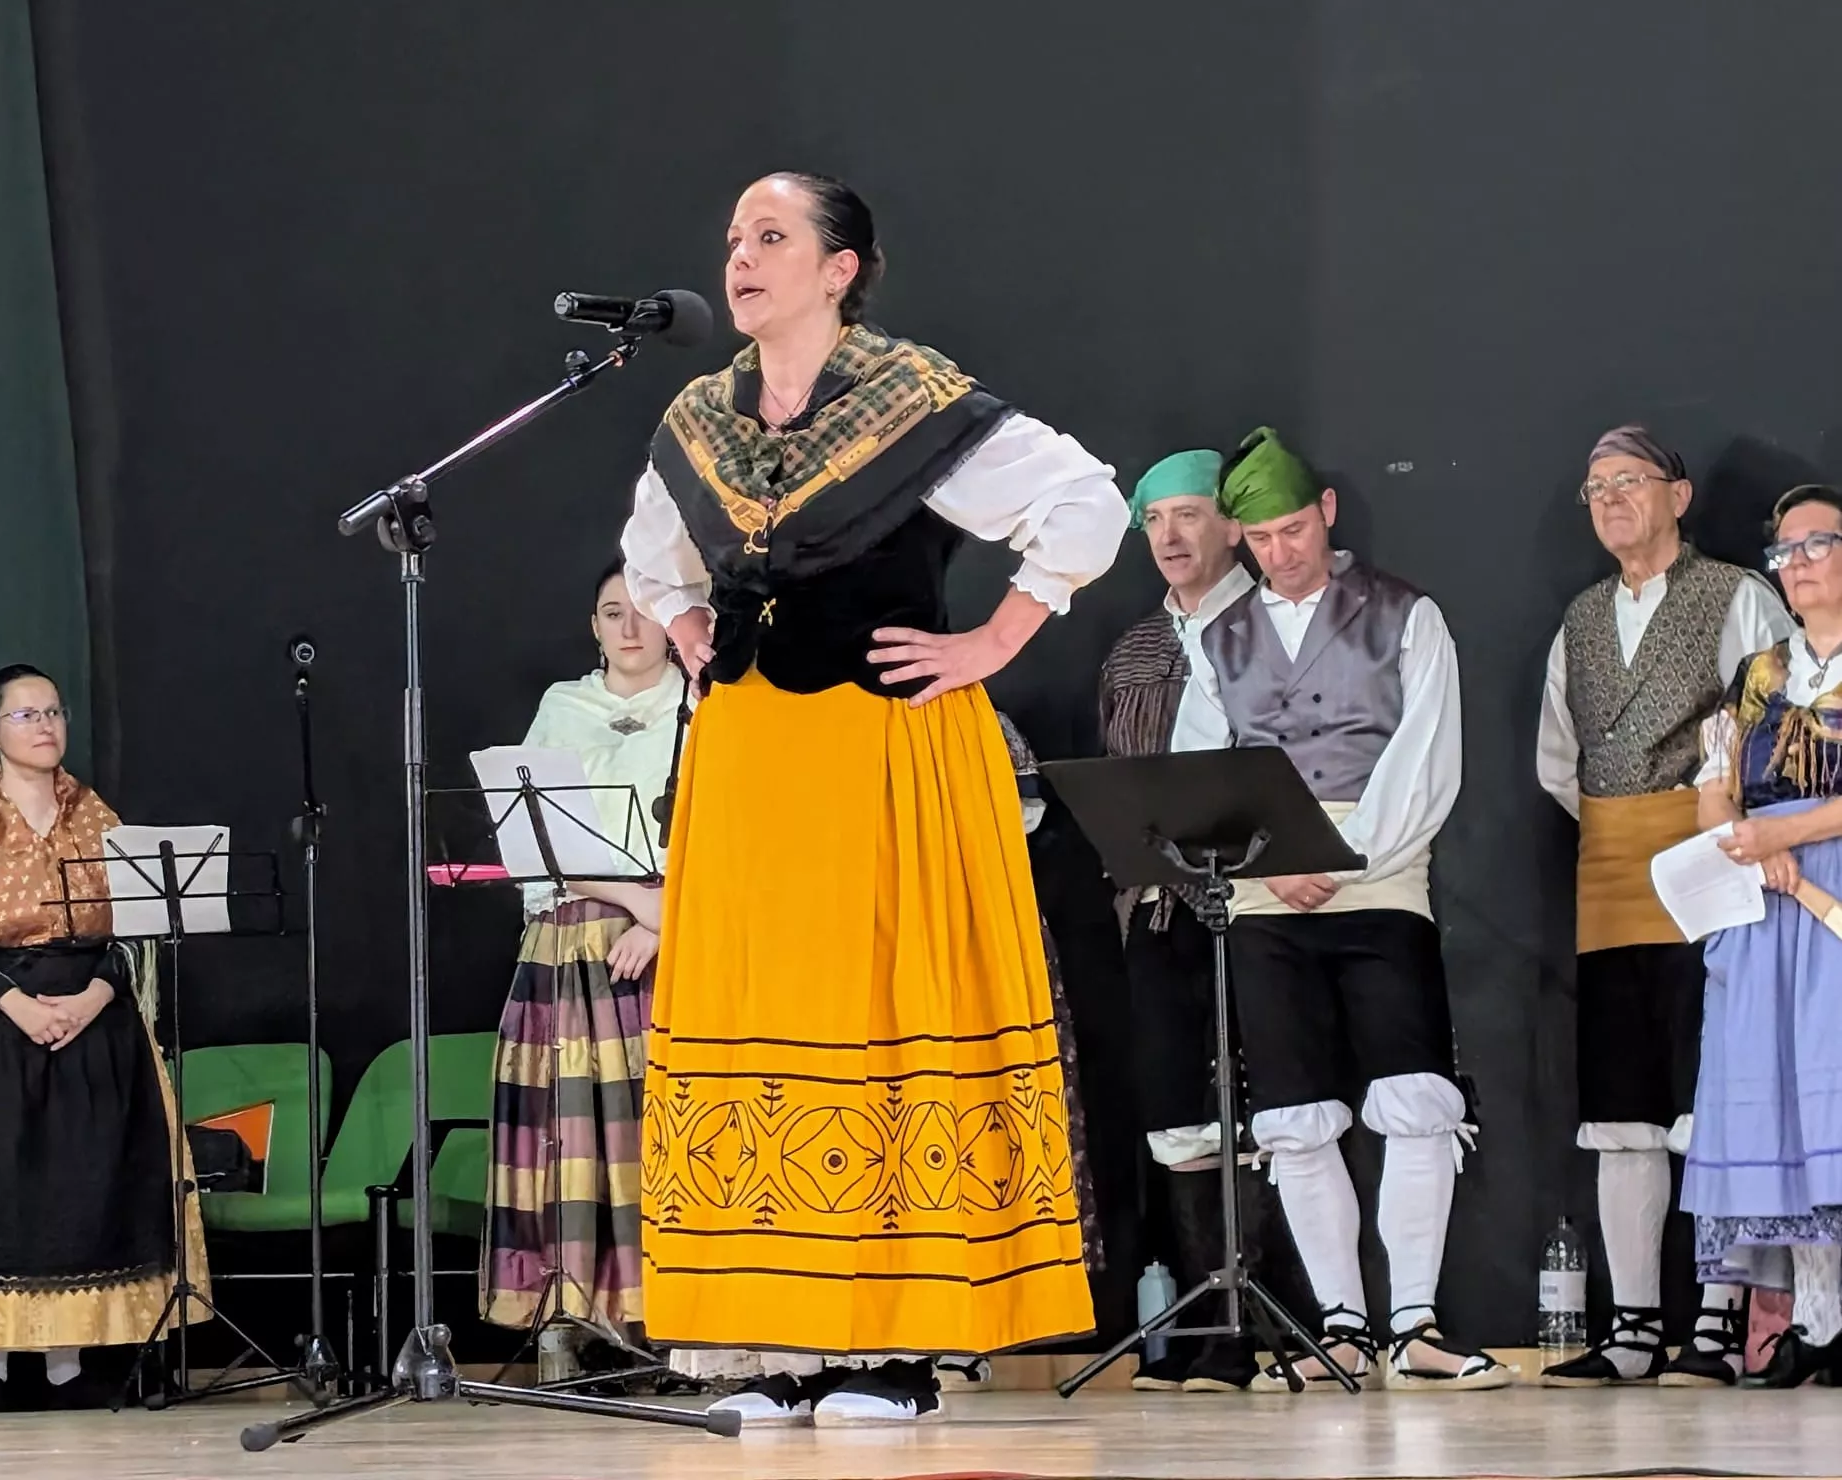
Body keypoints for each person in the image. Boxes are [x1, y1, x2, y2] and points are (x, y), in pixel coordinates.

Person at [621, 171, 1119, 1426]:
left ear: (842, 268)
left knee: (882, 1022)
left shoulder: (914, 402)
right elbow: (650, 552)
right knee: (763, 1023)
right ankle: (779, 1344)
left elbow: (1083, 504)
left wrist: (994, 642)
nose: (742, 258)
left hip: (879, 752)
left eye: (772, 237)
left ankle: (893, 1352)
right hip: (750, 762)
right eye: (734, 237)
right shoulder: (701, 414)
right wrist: (686, 625)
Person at [1204, 428, 1510, 1392]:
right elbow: (1203, 762)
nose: (1281, 552)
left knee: (1412, 1096)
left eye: (1294, 530)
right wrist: (1271, 857)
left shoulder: (1404, 615)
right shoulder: (1220, 637)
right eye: (1260, 538)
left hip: (1378, 878)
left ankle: (1414, 1321)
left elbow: (1428, 750)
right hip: (1264, 888)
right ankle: (1339, 1325)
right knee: (1293, 1107)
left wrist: (1345, 852)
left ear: (1326, 514)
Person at [0, 665, 208, 1412]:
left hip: (95, 1023)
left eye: (53, 711)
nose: (45, 725)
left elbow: (138, 924)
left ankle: (67, 1367)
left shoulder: (97, 817)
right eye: (25, 715)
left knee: (83, 1190)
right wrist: (17, 1004)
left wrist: (91, 997)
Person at [1534, 428, 1791, 1389]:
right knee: (1623, 1109)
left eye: (1628, 482)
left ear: (1678, 497)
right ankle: (1636, 1327)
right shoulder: (1581, 617)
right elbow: (1558, 761)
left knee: (1709, 1098)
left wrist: (1706, 822)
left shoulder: (1737, 595)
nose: (1609, 499)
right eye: (1594, 486)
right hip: (1607, 871)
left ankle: (1720, 1326)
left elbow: (1772, 728)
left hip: (1710, 865)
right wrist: (1625, 824)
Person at [1102, 448, 1310, 1395]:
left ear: (1231, 526)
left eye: (1189, 515)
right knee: (1179, 1115)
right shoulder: (1134, 652)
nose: (1172, 537)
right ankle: (1198, 1319)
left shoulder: (1277, 630)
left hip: (1261, 899)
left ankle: (1261, 1325)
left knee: (1265, 1106)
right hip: (1159, 907)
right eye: (1155, 521)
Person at [479, 562, 685, 1352]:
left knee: (643, 1135)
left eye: (642, 611)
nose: (629, 628)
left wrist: (664, 918)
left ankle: (659, 1321)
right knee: (561, 1136)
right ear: (592, 626)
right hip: (569, 936)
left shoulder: (698, 706)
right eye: (611, 613)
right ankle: (565, 1317)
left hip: (661, 940)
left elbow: (717, 828)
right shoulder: (562, 708)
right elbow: (529, 837)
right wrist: (634, 897)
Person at [1682, 483, 1842, 1388]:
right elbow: (1715, 777)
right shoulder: (1761, 673)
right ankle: (1817, 1325)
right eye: (1785, 553)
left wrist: (1790, 832)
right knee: (1783, 1105)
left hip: (1833, 901)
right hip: (1767, 904)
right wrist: (1741, 835)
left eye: (1818, 543)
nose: (1799, 564)